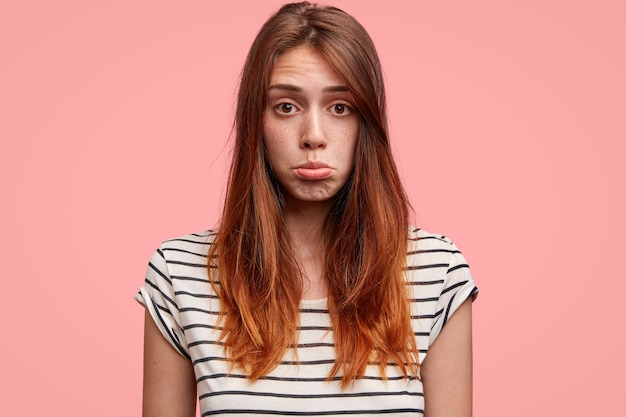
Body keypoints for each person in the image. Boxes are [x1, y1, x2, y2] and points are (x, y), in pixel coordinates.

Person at [135, 2, 478, 416]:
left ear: (366, 123)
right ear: (255, 122)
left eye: (340, 107)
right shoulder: (180, 274)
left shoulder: (436, 272)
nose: (313, 136)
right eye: (286, 106)